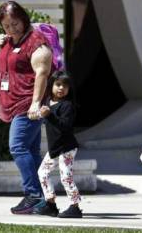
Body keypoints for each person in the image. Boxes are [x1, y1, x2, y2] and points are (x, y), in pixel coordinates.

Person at [0, 1, 52, 214]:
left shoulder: (36, 42)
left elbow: (42, 73)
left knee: (17, 146)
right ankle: (45, 197)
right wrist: (2, 43)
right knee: (31, 150)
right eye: (7, 25)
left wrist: (36, 103)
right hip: (14, 102)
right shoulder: (10, 40)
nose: (12, 29)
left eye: (15, 23)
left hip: (28, 104)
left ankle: (33, 194)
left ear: (24, 18)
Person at [37, 71, 82, 218]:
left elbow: (65, 126)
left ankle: (75, 207)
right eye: (58, 84)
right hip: (55, 148)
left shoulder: (67, 106)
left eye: (65, 86)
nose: (61, 88)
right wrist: (38, 114)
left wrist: (49, 115)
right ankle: (50, 204)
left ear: (69, 89)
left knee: (66, 177)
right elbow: (45, 117)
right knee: (42, 173)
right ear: (51, 86)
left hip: (67, 148)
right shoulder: (48, 103)